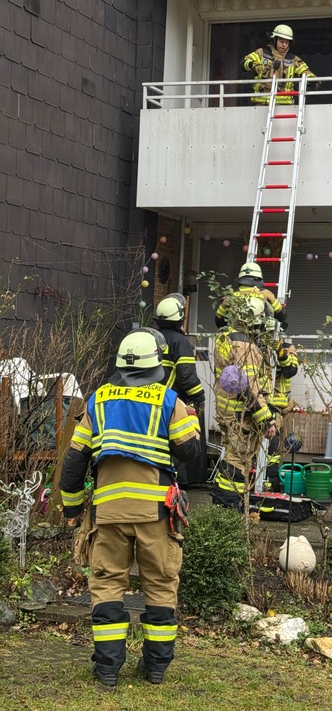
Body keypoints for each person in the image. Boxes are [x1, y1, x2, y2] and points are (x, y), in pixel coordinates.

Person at [59, 329, 201, 688]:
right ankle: (155, 668)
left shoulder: (98, 401)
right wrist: (192, 422)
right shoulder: (169, 401)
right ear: (156, 364)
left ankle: (107, 670)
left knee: (107, 587)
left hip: (108, 514)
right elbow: (190, 452)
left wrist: (73, 508)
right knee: (161, 585)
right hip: (155, 513)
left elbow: (74, 463)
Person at [212, 298, 278, 508]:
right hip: (242, 415)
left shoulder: (224, 337)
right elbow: (248, 388)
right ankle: (229, 508)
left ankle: (223, 506)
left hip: (226, 410)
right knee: (238, 460)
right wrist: (267, 419)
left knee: (231, 454)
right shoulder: (245, 347)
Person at [155, 292, 208, 485]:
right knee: (179, 439)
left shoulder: (153, 337)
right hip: (174, 400)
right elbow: (186, 375)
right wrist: (199, 396)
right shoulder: (180, 342)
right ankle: (181, 480)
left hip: (152, 398)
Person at [243, 24, 315, 105]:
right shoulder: (261, 53)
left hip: (284, 105)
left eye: (286, 42)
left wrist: (311, 79)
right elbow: (245, 62)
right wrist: (257, 67)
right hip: (261, 104)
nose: (284, 45)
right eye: (281, 41)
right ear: (274, 40)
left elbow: (304, 71)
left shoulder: (293, 59)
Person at [264, 338, 299, 492]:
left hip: (276, 410)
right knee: (271, 449)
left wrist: (288, 407)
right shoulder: (276, 363)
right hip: (268, 409)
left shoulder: (287, 367)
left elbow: (290, 371)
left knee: (274, 451)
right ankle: (269, 483)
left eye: (295, 353)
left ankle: (270, 481)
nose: (294, 356)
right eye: (291, 352)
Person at [214, 262, 286, 330]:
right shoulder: (266, 294)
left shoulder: (231, 296)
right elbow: (282, 315)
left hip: (234, 336)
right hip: (259, 338)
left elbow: (219, 321)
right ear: (258, 278)